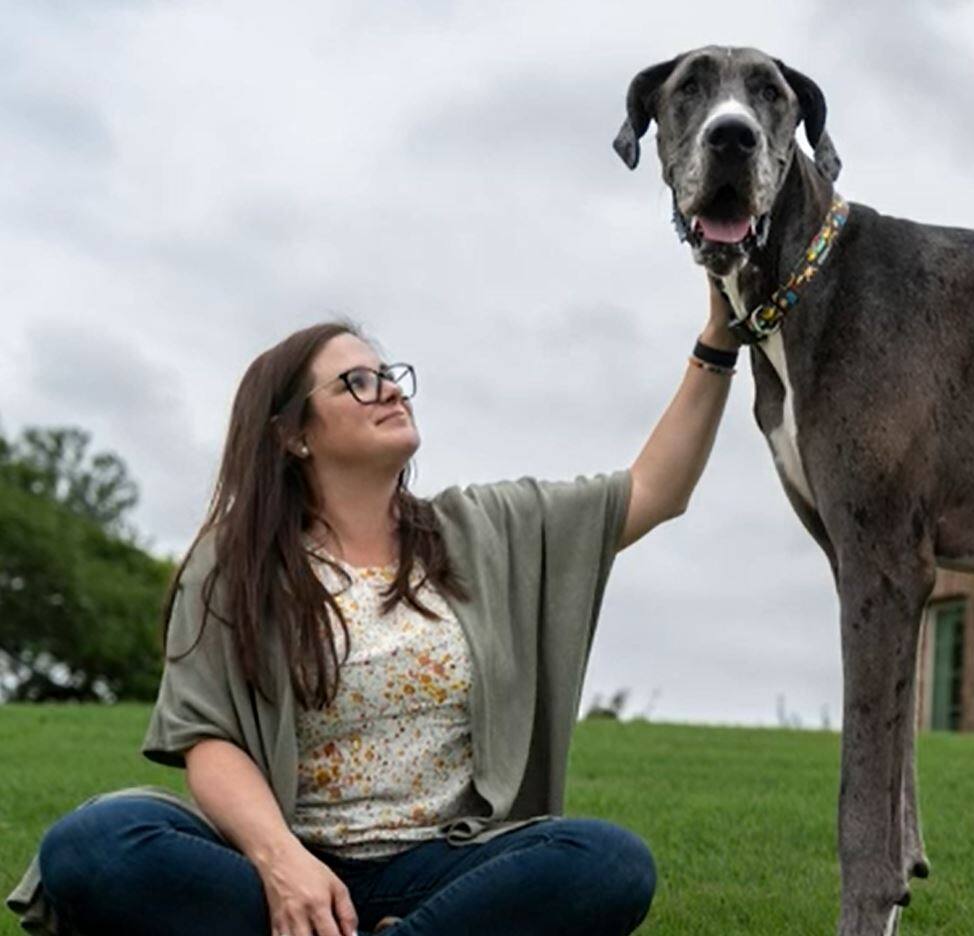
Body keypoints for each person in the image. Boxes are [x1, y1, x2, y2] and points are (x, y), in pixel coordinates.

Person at [19, 281, 744, 936]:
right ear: (294, 434)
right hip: (276, 867)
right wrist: (283, 865)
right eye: (356, 383)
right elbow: (208, 739)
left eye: (390, 376)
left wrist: (718, 339)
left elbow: (654, 490)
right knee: (91, 846)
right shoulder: (232, 561)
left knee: (608, 862)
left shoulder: (487, 530)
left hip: (445, 868)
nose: (390, 391)